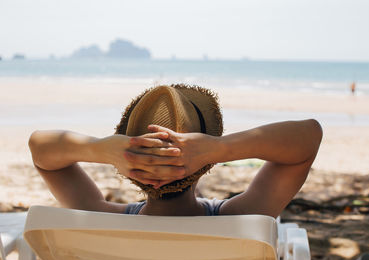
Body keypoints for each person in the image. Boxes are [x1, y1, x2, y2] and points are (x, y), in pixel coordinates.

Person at [28, 84, 322, 218]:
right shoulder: (242, 217)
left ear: (131, 172)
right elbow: (308, 138)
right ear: (205, 163)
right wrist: (219, 149)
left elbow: (41, 149)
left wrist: (103, 149)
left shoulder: (99, 218)